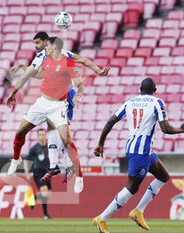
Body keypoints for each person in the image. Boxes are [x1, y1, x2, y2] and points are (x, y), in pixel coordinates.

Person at [8, 32, 110, 193]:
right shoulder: (44, 59)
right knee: (21, 131)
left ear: (51, 45)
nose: (39, 47)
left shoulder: (67, 61)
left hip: (59, 105)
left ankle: (78, 176)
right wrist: (18, 81)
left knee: (67, 140)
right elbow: (37, 74)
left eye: (42, 44)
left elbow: (80, 77)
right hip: (42, 103)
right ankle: (16, 159)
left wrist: (80, 92)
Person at [93, 77, 184, 233]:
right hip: (141, 151)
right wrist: (182, 129)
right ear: (154, 90)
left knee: (163, 176)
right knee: (132, 188)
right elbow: (165, 129)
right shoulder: (157, 103)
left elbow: (110, 121)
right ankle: (101, 219)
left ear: (140, 89)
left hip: (137, 147)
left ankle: (138, 211)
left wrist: (100, 143)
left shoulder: (129, 102)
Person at [23, 129, 52, 219]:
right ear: (37, 136)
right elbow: (26, 160)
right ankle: (46, 214)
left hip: (48, 172)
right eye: (40, 135)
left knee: (48, 195)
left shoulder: (49, 147)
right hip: (38, 173)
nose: (42, 136)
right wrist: (27, 172)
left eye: (43, 135)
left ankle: (34, 198)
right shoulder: (35, 148)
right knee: (44, 191)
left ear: (45, 135)